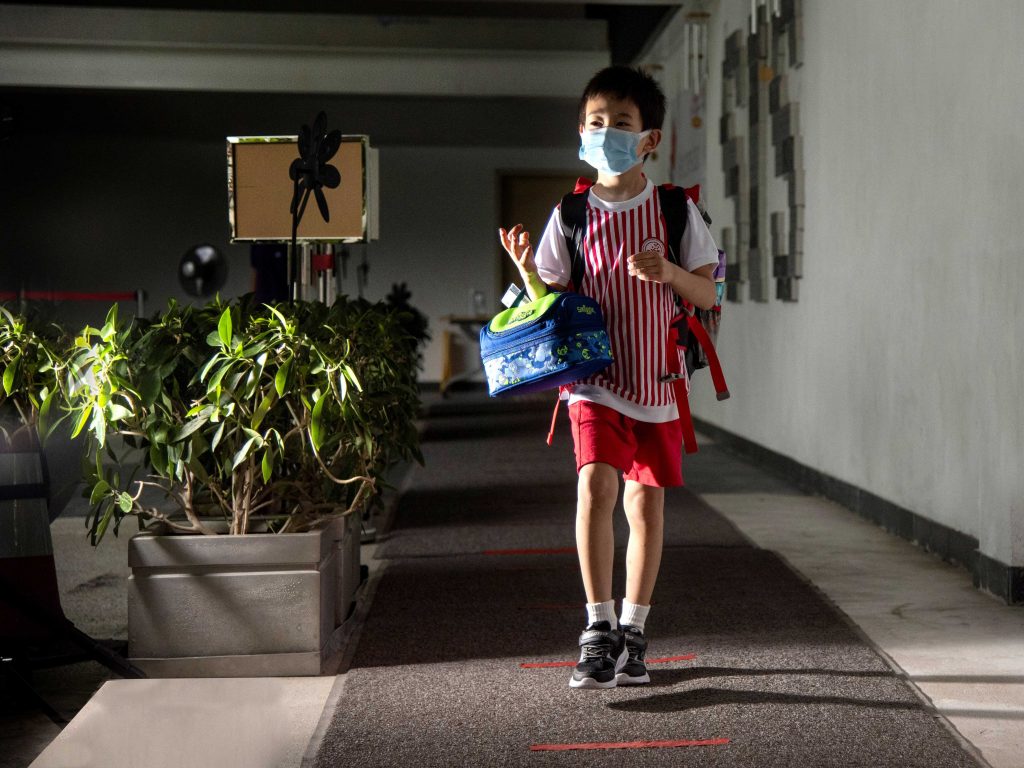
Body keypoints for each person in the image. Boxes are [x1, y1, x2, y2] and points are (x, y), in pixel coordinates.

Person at [498, 66, 720, 689]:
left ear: (649, 139)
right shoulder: (570, 213)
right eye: (595, 122)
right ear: (580, 132)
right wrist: (527, 271)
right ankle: (597, 628)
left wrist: (669, 273)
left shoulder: (675, 209)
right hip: (593, 382)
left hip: (659, 382)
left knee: (644, 503)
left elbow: (708, 292)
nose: (605, 133)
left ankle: (634, 632)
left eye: (621, 123)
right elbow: (547, 303)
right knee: (595, 487)